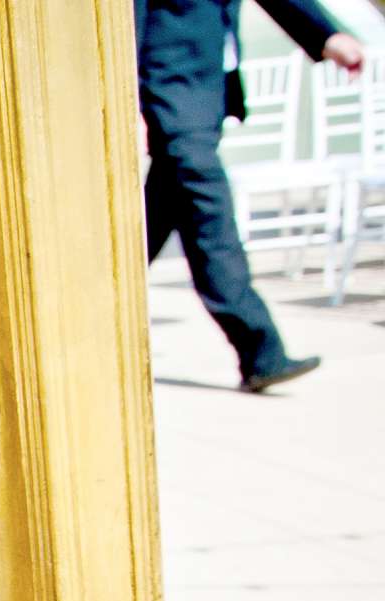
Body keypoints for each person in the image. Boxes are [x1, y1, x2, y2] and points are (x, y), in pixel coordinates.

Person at [137, 0, 369, 390]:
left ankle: (80, 309)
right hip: (168, 83)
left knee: (157, 215)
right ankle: (261, 349)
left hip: (202, 83)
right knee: (207, 213)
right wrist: (122, 90)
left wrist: (325, 35)